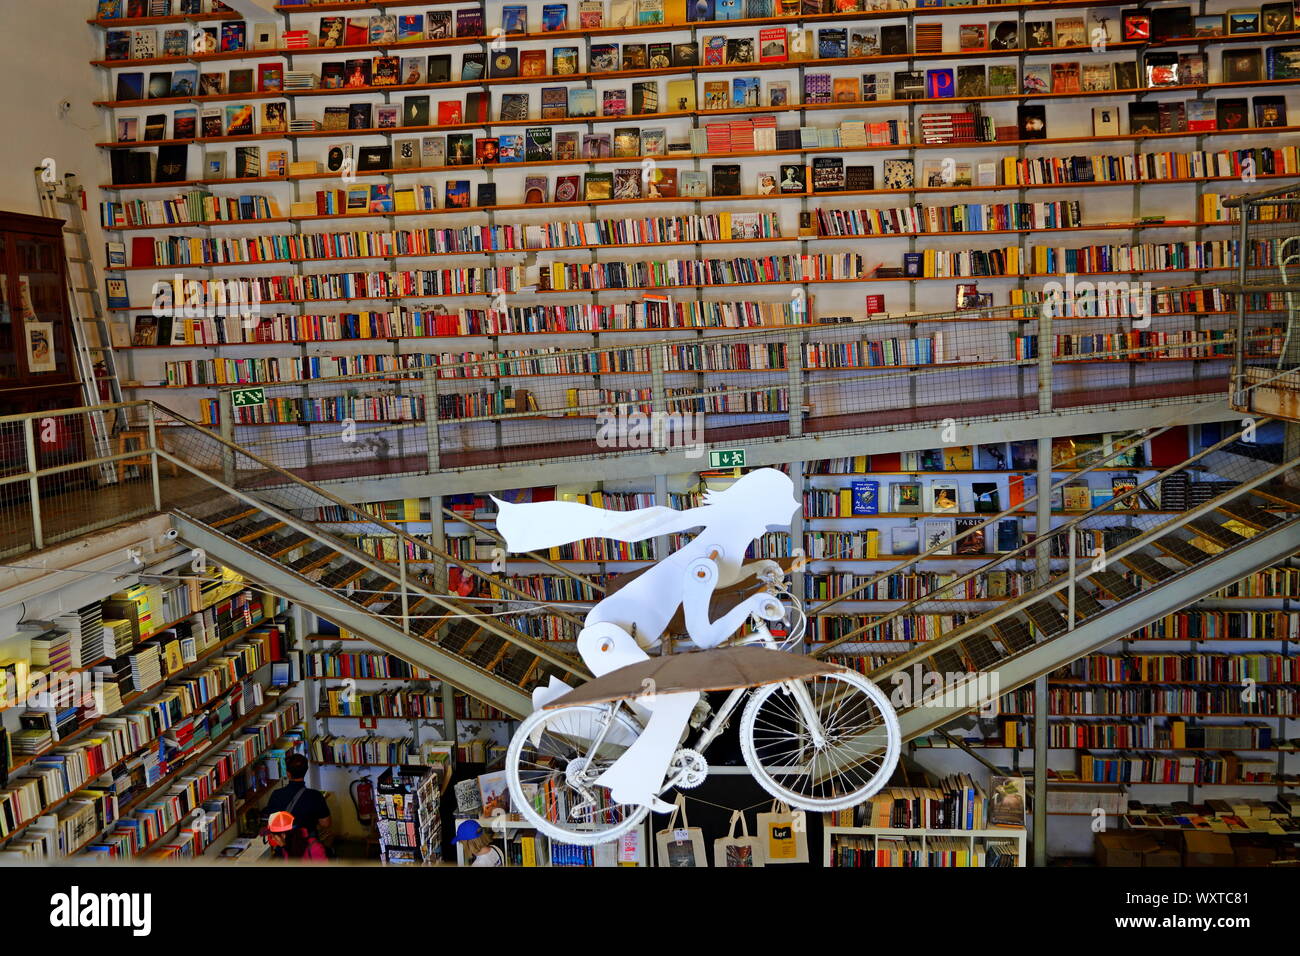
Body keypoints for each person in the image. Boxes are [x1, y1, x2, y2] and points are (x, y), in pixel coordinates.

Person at [265, 753, 332, 841]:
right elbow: (326, 823)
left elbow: (272, 823)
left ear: (288, 774)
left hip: (285, 846)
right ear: (306, 771)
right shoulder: (316, 796)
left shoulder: (276, 795)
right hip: (308, 847)